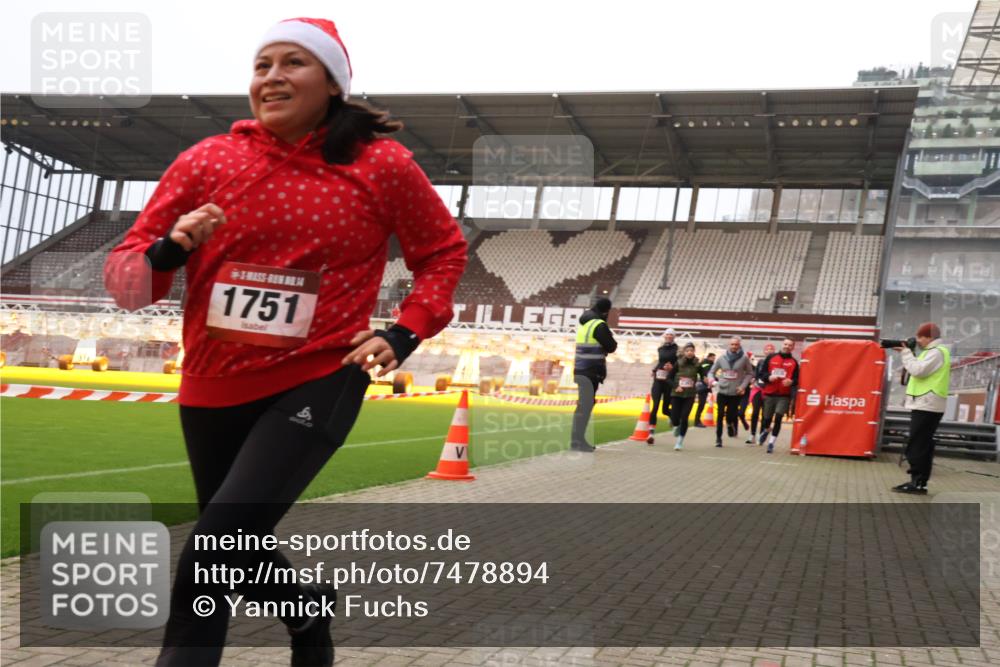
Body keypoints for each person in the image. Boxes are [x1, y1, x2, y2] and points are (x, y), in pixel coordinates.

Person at [104, 18, 468, 667]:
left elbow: (442, 251)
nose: (272, 77)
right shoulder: (207, 160)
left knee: (211, 551)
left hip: (320, 374)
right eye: (261, 65)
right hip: (213, 381)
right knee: (235, 550)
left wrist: (406, 329)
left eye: (293, 62)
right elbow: (128, 278)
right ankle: (307, 610)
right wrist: (169, 249)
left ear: (332, 82)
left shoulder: (381, 164)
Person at [893, 322, 951, 494]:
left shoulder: (936, 352)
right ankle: (919, 482)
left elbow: (918, 371)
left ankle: (917, 482)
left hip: (927, 403)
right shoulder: (932, 352)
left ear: (929, 337)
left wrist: (906, 353)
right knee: (922, 443)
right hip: (927, 403)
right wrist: (909, 354)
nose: (917, 340)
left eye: (921, 337)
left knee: (917, 444)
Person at [571, 297, 617, 452]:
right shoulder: (599, 325)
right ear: (606, 311)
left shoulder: (585, 324)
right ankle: (577, 441)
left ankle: (577, 440)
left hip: (581, 369)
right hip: (591, 370)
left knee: (583, 405)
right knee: (585, 406)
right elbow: (611, 346)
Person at [707, 337, 754, 447]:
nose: (734, 346)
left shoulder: (744, 358)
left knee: (731, 415)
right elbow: (711, 372)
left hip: (735, 392)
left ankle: (729, 424)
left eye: (736, 344)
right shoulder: (722, 358)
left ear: (739, 345)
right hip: (722, 390)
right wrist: (712, 381)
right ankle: (718, 438)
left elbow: (750, 373)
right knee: (719, 414)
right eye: (732, 344)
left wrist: (742, 386)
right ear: (729, 345)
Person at [756, 338, 800, 453]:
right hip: (769, 393)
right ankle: (766, 430)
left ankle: (771, 442)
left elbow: (797, 379)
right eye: (785, 344)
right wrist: (768, 377)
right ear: (782, 345)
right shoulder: (771, 357)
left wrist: (791, 382)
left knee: (779, 417)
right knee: (767, 418)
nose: (787, 346)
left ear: (793, 347)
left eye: (790, 345)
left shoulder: (794, 362)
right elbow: (761, 374)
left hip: (784, 395)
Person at [647, 328, 678, 444]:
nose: (669, 336)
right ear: (664, 336)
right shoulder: (660, 348)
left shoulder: (677, 350)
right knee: (655, 406)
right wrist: (655, 370)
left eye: (671, 335)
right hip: (658, 380)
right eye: (667, 334)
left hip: (669, 381)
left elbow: (679, 365)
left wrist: (672, 368)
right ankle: (651, 434)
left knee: (665, 409)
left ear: (674, 337)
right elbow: (661, 362)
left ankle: (674, 419)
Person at [668, 342, 700, 450]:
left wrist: (706, 378)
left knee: (684, 417)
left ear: (694, 352)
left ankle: (680, 441)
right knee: (675, 417)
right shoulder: (678, 363)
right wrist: (676, 386)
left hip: (689, 395)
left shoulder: (697, 364)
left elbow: (704, 373)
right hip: (677, 394)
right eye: (687, 351)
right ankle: (675, 425)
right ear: (684, 352)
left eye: (691, 350)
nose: (689, 352)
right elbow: (669, 378)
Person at [746, 343, 775, 444]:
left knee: (765, 414)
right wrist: (753, 379)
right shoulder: (761, 362)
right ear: (764, 351)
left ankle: (761, 434)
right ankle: (752, 434)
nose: (769, 350)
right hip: (758, 389)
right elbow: (756, 374)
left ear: (774, 351)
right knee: (755, 412)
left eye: (771, 349)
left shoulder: (776, 362)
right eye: (767, 349)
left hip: (769, 391)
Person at [693, 352, 716, 427]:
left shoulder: (707, 364)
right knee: (701, 404)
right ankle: (697, 421)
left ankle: (697, 421)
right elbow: (706, 375)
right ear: (709, 357)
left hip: (704, 386)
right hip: (703, 386)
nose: (713, 359)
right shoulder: (707, 364)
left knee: (702, 404)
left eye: (714, 358)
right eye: (713, 358)